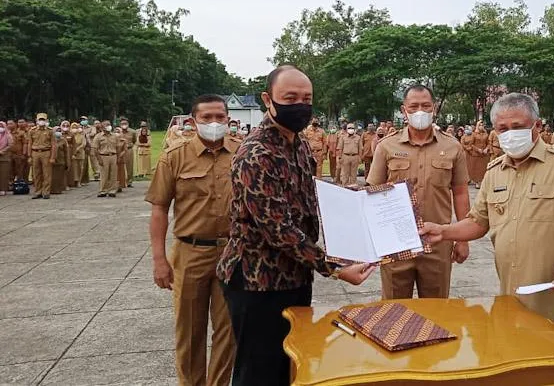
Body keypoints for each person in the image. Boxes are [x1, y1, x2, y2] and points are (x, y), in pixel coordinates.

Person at [216, 65, 374, 386]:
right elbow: (278, 230)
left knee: (291, 364)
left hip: (294, 275)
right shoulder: (256, 154)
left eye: (307, 99)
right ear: (268, 100)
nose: (300, 106)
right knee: (259, 371)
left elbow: (306, 199)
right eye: (290, 98)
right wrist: (334, 267)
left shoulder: (298, 143)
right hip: (258, 281)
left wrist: (350, 206)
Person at [418, 92, 554, 359]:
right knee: (520, 368)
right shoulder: (495, 171)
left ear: (537, 126)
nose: (510, 134)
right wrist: (444, 230)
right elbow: (478, 222)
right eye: (502, 129)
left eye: (517, 127)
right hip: (514, 299)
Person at [147, 94, 239, 386]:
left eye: (220, 117)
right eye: (206, 118)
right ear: (192, 121)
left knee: (229, 330)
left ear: (229, 120)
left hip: (233, 253)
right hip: (190, 252)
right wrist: (160, 260)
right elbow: (159, 208)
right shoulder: (175, 156)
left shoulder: (242, 153)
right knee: (189, 331)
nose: (214, 123)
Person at [367, 84, 470, 300]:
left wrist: (463, 239)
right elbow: (372, 194)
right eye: (414, 107)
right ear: (403, 110)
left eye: (426, 106)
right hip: (395, 244)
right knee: (394, 308)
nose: (420, 111)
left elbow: (460, 193)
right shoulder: (386, 146)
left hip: (438, 242)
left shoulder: (453, 147)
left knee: (436, 308)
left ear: (434, 108)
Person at [28, 113, 56, 199]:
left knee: (47, 173)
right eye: (40, 119)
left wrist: (52, 157)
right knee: (36, 173)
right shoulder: (32, 130)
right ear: (37, 120)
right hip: (35, 153)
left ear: (46, 120)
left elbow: (53, 145)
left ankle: (46, 192)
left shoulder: (50, 131)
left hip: (46, 152)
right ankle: (38, 191)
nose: (41, 121)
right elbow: (29, 144)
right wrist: (29, 156)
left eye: (43, 120)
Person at [92, 120, 119, 198]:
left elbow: (118, 147)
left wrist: (118, 157)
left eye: (109, 124)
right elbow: (95, 149)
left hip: (113, 156)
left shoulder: (114, 136)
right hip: (103, 156)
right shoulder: (98, 136)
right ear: (102, 127)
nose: (108, 126)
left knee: (113, 174)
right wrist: (99, 159)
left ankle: (112, 190)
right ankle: (103, 190)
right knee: (104, 174)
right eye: (106, 125)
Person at [336, 122, 361, 186]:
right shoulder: (343, 137)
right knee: (345, 174)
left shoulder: (358, 137)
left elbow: (360, 149)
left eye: (352, 128)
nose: (351, 129)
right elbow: (340, 148)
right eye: (349, 128)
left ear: (354, 129)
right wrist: (340, 157)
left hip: (355, 157)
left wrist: (360, 158)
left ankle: (353, 187)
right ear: (347, 129)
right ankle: (345, 187)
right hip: (345, 156)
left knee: (354, 174)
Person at [470, 121, 491, 189]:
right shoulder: (474, 134)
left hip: (484, 154)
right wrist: (478, 149)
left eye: (482, 125)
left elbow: (489, 143)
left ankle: (483, 181)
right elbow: (471, 144)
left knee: (484, 168)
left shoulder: (486, 134)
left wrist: (486, 149)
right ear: (477, 126)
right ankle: (477, 182)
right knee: (477, 169)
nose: (481, 126)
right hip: (476, 154)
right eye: (480, 125)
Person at [50, 126, 70, 195]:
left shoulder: (63, 140)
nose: (58, 132)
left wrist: (67, 162)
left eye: (59, 131)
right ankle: (51, 189)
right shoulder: (51, 139)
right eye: (56, 131)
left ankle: (59, 189)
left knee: (60, 176)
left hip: (61, 160)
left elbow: (66, 152)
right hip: (52, 160)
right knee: (52, 176)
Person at [7, 120, 26, 185]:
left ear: (15, 124)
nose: (9, 125)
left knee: (19, 170)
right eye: (8, 124)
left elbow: (25, 144)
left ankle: (19, 184)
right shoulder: (7, 133)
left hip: (18, 154)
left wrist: (24, 153)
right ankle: (11, 183)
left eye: (11, 124)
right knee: (10, 169)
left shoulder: (21, 133)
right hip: (9, 154)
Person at [118, 118, 135, 188]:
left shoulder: (132, 132)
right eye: (122, 124)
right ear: (120, 124)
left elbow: (134, 140)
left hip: (129, 150)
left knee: (129, 166)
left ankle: (129, 182)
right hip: (120, 151)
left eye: (125, 123)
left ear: (128, 124)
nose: (124, 125)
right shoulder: (118, 131)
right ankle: (121, 182)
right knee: (120, 166)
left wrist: (129, 145)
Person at [69, 123, 87, 188]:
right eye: (73, 127)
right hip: (73, 154)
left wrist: (77, 148)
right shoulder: (70, 136)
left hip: (80, 153)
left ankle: (79, 181)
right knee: (74, 168)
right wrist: (74, 150)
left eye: (75, 127)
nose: (74, 129)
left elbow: (84, 144)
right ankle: (74, 181)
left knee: (80, 168)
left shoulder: (81, 136)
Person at [60, 121, 75, 189]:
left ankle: (69, 183)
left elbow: (74, 144)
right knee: (62, 168)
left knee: (69, 168)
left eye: (67, 126)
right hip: (62, 152)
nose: (65, 127)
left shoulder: (71, 134)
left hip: (70, 152)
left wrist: (73, 154)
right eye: (64, 125)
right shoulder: (59, 134)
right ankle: (63, 184)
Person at [114, 127, 128, 192]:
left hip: (121, 158)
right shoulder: (112, 140)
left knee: (121, 172)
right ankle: (114, 185)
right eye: (115, 132)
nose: (117, 133)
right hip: (113, 157)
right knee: (114, 172)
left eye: (118, 132)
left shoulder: (123, 141)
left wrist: (120, 156)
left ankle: (120, 185)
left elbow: (125, 150)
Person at [0, 122, 12, 195]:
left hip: (4, 157)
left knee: (4, 174)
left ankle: (3, 189)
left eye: (2, 126)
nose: (0, 127)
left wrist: (2, 151)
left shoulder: (8, 135)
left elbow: (10, 145)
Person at [79, 116, 91, 184]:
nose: (83, 120)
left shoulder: (90, 127)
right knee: (81, 165)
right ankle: (80, 180)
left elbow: (92, 134)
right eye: (82, 119)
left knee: (85, 165)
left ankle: (85, 180)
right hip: (79, 148)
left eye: (84, 119)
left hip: (86, 147)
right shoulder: (78, 127)